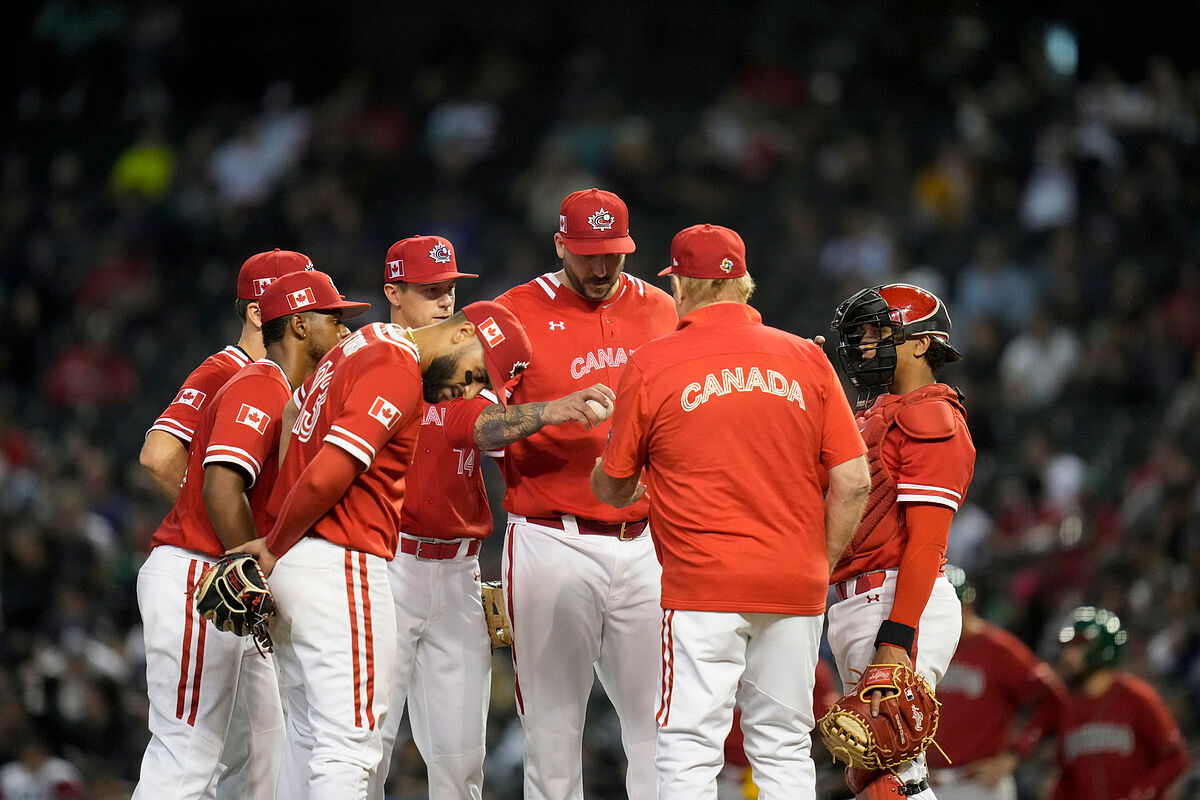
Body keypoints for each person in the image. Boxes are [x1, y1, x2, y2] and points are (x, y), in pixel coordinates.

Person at [591, 223, 870, 799]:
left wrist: (603, 462)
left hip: (702, 587)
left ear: (685, 286)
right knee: (785, 744)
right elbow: (853, 482)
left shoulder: (653, 363)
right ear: (742, 284)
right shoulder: (806, 360)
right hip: (793, 583)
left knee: (690, 746)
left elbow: (615, 490)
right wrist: (818, 562)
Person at [234, 301, 534, 800]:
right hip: (338, 558)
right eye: (477, 373)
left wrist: (278, 539)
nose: (471, 390)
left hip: (303, 560)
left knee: (308, 739)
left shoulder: (361, 342)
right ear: (461, 335)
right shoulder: (395, 367)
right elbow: (332, 468)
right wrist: (270, 544)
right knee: (349, 747)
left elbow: (293, 414)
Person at [371, 235, 614, 800]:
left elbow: (484, 424)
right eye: (430, 290)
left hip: (456, 573)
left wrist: (540, 411)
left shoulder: (462, 368)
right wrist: (553, 409)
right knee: (365, 748)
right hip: (386, 567)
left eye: (450, 289)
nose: (443, 301)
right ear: (393, 292)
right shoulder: (368, 357)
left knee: (460, 763)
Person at [133, 269, 365, 799]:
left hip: (230, 579)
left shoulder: (290, 390)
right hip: (202, 571)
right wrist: (245, 565)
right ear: (301, 326)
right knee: (185, 757)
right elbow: (219, 487)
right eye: (335, 321)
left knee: (262, 761)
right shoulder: (259, 382)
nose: (345, 332)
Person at [493, 187, 678, 800]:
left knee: (660, 728)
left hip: (648, 541)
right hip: (554, 538)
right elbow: (474, 429)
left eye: (613, 255)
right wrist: (548, 410)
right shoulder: (509, 314)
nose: (600, 269)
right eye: (586, 255)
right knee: (551, 731)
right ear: (559, 246)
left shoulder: (660, 308)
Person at [826, 282, 977, 800]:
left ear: (919, 343)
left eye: (876, 334)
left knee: (889, 775)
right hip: (858, 600)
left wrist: (897, 640)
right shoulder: (881, 413)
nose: (863, 346)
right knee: (871, 771)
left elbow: (928, 544)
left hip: (895, 599)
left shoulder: (931, 417)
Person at [139, 248, 314, 500]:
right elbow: (157, 455)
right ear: (257, 314)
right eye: (304, 305)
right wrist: (216, 519)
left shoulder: (289, 377)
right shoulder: (224, 372)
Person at [926, 566, 1067, 800]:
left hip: (977, 786)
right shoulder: (924, 646)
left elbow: (1051, 700)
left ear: (965, 605)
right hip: (925, 784)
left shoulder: (999, 650)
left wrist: (1015, 754)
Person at [1047, 606, 1189, 800]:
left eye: (1076, 646)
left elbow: (1176, 759)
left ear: (1102, 647)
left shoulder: (1138, 697)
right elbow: (1066, 777)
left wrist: (1141, 791)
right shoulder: (1068, 708)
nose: (1067, 655)